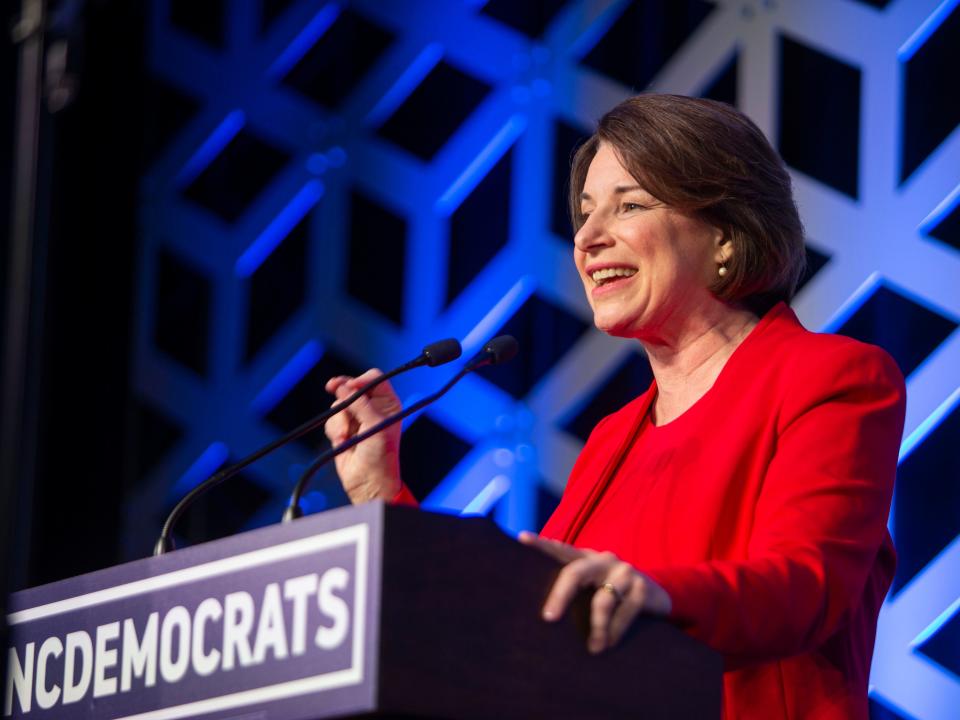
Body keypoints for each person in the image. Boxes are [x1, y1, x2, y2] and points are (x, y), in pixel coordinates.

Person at [323, 95, 905, 720]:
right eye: (584, 212)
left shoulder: (831, 378)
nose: (588, 238)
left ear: (726, 234)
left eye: (629, 205)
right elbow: (516, 616)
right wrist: (382, 496)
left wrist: (655, 598)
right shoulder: (612, 438)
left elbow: (805, 588)